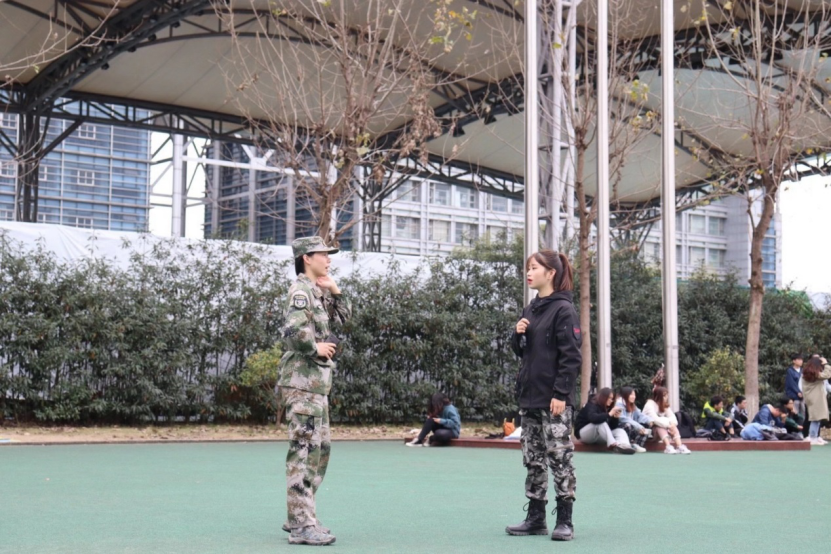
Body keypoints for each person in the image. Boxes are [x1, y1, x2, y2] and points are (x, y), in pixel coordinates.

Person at [278, 236, 352, 546]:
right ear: (306, 258)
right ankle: (300, 525)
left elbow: (344, 318)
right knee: (304, 451)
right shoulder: (300, 291)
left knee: (319, 452)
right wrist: (314, 347)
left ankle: (302, 514)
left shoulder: (316, 292)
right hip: (302, 383)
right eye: (323, 254)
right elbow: (292, 330)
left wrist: (334, 289)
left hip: (317, 385)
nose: (329, 258)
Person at [505, 250, 581, 541]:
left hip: (554, 400)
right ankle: (536, 518)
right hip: (530, 397)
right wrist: (517, 334)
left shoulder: (564, 310)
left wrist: (561, 393)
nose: (528, 272)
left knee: (560, 457)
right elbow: (524, 352)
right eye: (528, 267)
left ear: (551, 273)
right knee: (533, 458)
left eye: (534, 267)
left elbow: (571, 357)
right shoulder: (531, 308)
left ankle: (565, 521)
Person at [575, 388, 636, 454]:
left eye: (612, 399)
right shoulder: (591, 404)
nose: (611, 401)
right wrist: (609, 414)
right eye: (609, 398)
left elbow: (611, 428)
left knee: (620, 431)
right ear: (603, 397)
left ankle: (624, 446)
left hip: (599, 436)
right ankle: (613, 445)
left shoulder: (608, 408)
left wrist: (615, 418)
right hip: (584, 435)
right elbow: (593, 418)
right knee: (601, 423)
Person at [643, 387, 691, 454]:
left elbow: (673, 418)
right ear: (658, 396)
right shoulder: (649, 405)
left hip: (660, 432)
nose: (666, 398)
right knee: (659, 425)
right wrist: (669, 424)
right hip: (647, 433)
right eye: (664, 396)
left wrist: (672, 425)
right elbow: (655, 420)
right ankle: (668, 447)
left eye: (666, 395)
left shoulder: (664, 405)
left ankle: (680, 446)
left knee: (672, 426)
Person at [801, 356, 831, 446]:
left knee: (816, 418)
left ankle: (815, 437)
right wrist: (826, 364)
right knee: (816, 419)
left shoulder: (807, 373)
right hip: (815, 398)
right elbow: (827, 375)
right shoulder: (815, 374)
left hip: (811, 398)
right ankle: (813, 437)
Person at [614, 386, 653, 453]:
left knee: (646, 429)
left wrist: (650, 421)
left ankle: (636, 445)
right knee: (628, 425)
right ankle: (626, 445)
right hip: (620, 429)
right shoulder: (619, 404)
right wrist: (638, 427)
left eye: (634, 395)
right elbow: (622, 419)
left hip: (632, 428)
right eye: (631, 395)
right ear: (626, 395)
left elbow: (640, 415)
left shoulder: (632, 405)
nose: (634, 397)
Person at [785, 353, 805, 420]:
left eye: (801, 360)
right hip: (794, 395)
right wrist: (798, 392)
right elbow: (791, 383)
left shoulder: (803, 370)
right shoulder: (790, 371)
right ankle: (795, 425)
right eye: (799, 360)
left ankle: (802, 425)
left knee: (803, 412)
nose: (801, 361)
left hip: (803, 395)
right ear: (794, 361)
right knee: (794, 412)